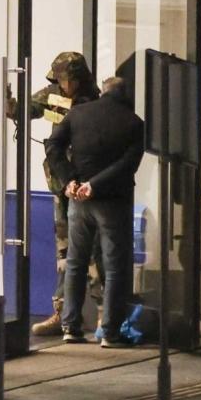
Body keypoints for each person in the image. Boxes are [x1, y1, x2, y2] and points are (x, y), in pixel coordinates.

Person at [45, 54, 146, 348]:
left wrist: (70, 181)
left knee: (75, 263)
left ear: (103, 91)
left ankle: (71, 326)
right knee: (113, 268)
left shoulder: (78, 114)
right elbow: (128, 164)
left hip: (78, 201)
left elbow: (53, 145)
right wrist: (95, 185)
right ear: (126, 96)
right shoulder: (134, 123)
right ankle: (110, 332)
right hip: (112, 202)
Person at [9, 52, 101, 335]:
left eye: (67, 80)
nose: (64, 85)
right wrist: (7, 100)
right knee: (64, 252)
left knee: (93, 251)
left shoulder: (95, 102)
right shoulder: (53, 94)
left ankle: (103, 315)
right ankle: (61, 313)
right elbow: (23, 110)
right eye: (60, 80)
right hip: (61, 184)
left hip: (85, 187)